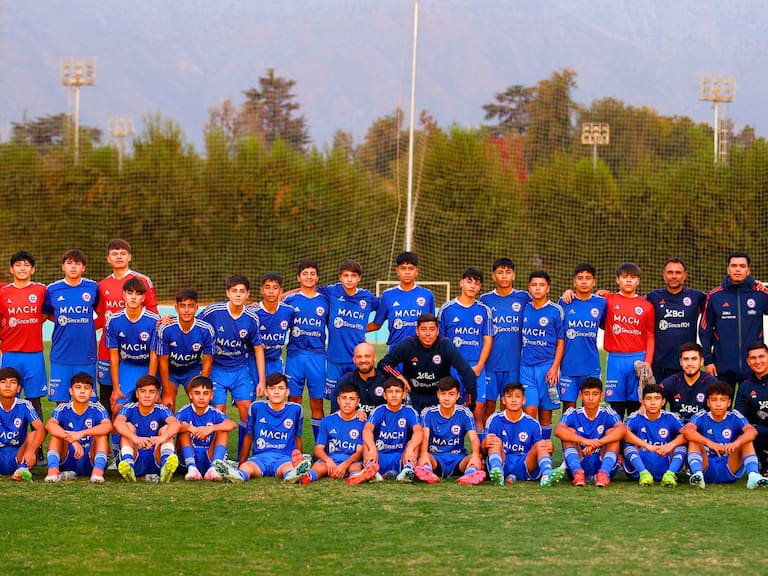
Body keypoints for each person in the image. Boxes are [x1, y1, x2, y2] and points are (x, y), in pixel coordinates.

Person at [200, 275, 266, 459]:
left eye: (242, 291)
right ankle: (217, 456)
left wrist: (261, 380)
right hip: (217, 370)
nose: (238, 295)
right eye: (234, 291)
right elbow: (194, 323)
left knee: (247, 409)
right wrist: (168, 320)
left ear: (247, 295)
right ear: (227, 293)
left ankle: (242, 458)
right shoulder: (213, 311)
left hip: (239, 370)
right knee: (219, 412)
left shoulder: (251, 318)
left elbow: (258, 349)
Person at [95, 239, 158, 430]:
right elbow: (99, 317)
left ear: (129, 256)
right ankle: (107, 447)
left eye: (123, 253)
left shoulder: (142, 281)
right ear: (108, 258)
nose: (119, 257)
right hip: (110, 348)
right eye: (114, 253)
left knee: (141, 396)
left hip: (138, 349)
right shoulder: (102, 285)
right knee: (110, 396)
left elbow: (153, 312)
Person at [213, 373, 310, 483]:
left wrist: (299, 460)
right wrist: (241, 463)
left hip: (284, 458)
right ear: (266, 391)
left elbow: (297, 437)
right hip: (260, 458)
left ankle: (292, 475)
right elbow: (249, 437)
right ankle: (238, 475)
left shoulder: (296, 409)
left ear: (287, 392)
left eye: (281, 388)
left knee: (287, 468)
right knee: (248, 467)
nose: (276, 392)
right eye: (272, 388)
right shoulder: (256, 407)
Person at [378, 313, 477, 413]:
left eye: (432, 329)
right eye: (423, 329)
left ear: (438, 331)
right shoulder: (409, 344)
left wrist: (470, 404)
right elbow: (383, 364)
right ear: (417, 331)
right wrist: (398, 376)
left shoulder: (445, 344)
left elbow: (467, 373)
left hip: (440, 396)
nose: (428, 334)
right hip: (413, 396)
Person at [699, 251, 768, 387]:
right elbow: (704, 331)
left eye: (742, 266)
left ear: (748, 270)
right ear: (728, 269)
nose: (737, 269)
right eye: (734, 265)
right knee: (720, 408)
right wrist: (708, 361)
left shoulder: (760, 294)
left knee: (754, 408)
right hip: (722, 367)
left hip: (754, 367)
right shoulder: (714, 296)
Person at [683, 380, 768, 489]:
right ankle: (697, 475)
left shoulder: (734, 416)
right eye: (714, 400)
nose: (718, 404)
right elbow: (687, 431)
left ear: (728, 403)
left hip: (729, 465)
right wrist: (710, 444)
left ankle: (753, 476)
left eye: (722, 400)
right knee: (694, 439)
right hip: (706, 467)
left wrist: (736, 443)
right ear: (708, 402)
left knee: (746, 439)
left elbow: (752, 431)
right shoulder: (701, 416)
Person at [437, 267, 493, 433]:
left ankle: (481, 457)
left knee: (478, 412)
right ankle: (451, 451)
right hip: (453, 369)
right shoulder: (447, 309)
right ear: (461, 282)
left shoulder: (484, 310)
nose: (472, 286)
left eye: (476, 283)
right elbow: (440, 342)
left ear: (480, 287)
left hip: (476, 368)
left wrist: (480, 366)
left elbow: (487, 340)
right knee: (450, 411)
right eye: (469, 281)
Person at [42, 249, 100, 403]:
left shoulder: (93, 287)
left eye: (77, 263)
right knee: (61, 401)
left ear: (83, 268)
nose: (73, 267)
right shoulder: (53, 289)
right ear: (63, 267)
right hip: (61, 354)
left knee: (87, 400)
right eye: (69, 263)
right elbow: (45, 314)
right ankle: (61, 427)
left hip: (86, 354)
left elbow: (98, 311)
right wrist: (63, 321)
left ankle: (87, 428)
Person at [318, 259, 379, 401]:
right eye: (346, 275)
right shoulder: (332, 291)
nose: (350, 279)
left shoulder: (367, 297)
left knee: (358, 398)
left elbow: (386, 309)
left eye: (353, 276)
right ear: (340, 277)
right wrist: (281, 297)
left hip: (357, 359)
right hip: (335, 357)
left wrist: (361, 330)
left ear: (359, 278)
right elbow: (307, 291)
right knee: (335, 399)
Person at [602, 262, 655, 419]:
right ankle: (615, 443)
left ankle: (632, 444)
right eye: (624, 277)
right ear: (617, 280)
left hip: (637, 359)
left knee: (636, 406)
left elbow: (650, 336)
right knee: (615, 407)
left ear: (638, 281)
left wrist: (648, 362)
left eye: (633, 277)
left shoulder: (647, 306)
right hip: (615, 360)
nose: (629, 281)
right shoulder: (607, 300)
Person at [480, 257, 530, 422]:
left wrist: (568, 293)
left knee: (509, 405)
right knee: (488, 405)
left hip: (514, 365)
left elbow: (543, 303)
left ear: (514, 275)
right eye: (500, 273)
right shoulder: (485, 300)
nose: (504, 276)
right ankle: (485, 443)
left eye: (508, 272)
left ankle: (505, 442)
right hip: (490, 364)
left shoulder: (524, 298)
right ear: (494, 276)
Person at [484, 382, 564, 487]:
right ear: (503, 400)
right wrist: (485, 443)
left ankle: (547, 474)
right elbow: (484, 448)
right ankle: (497, 472)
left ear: (523, 400)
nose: (513, 400)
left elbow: (540, 449)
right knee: (494, 441)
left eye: (517, 396)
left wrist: (550, 447)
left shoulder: (533, 423)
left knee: (542, 444)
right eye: (509, 396)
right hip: (503, 460)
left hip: (524, 462)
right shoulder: (494, 419)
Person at [0, 251, 47, 424]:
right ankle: (11, 443)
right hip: (10, 354)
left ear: (33, 270)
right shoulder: (3, 292)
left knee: (34, 401)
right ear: (11, 269)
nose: (22, 268)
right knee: (8, 399)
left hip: (34, 354)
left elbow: (48, 313)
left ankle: (38, 448)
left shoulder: (41, 290)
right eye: (18, 265)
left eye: (26, 265)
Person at [283, 259, 328, 441]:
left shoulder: (325, 300)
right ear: (298, 277)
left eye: (312, 273)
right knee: (293, 402)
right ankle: (292, 446)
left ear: (317, 277)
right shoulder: (290, 300)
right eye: (305, 273)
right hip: (294, 356)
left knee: (317, 402)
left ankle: (320, 447)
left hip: (317, 356)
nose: (309, 277)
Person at [414, 376, 485, 485]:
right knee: (424, 456)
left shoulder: (465, 413)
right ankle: (427, 472)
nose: (446, 398)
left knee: (473, 457)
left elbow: (474, 438)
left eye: (451, 394)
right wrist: (423, 453)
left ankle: (470, 474)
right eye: (443, 394)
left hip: (458, 459)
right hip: (435, 458)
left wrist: (475, 454)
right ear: (438, 394)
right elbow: (425, 437)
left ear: (457, 396)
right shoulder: (428, 412)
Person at [645, 258, 706, 383]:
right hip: (659, 365)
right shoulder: (653, 297)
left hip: (686, 365)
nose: (674, 276)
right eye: (670, 272)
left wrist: (752, 285)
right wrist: (611, 296)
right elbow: (631, 304)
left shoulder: (697, 297)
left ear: (685, 275)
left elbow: (720, 300)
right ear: (664, 275)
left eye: (678, 273)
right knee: (656, 401)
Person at [555, 377, 625, 487]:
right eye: (587, 394)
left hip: (602, 461)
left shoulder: (608, 412)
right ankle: (578, 472)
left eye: (595, 394)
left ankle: (603, 473)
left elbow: (622, 430)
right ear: (580, 396)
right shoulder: (572, 412)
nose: (591, 398)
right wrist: (585, 441)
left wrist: (598, 443)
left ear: (601, 396)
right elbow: (558, 430)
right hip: (580, 461)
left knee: (613, 432)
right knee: (569, 432)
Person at [44, 372, 112, 483]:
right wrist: (72, 440)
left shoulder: (97, 408)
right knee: (56, 435)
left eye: (87, 388)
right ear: (71, 391)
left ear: (92, 392)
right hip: (67, 455)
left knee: (101, 434)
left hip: (90, 458)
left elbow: (108, 426)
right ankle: (53, 471)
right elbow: (49, 425)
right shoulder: (62, 408)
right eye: (78, 387)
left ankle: (97, 472)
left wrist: (82, 433)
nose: (82, 391)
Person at [520, 270, 564, 440]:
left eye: (541, 285)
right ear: (529, 288)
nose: (537, 288)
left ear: (548, 288)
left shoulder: (555, 310)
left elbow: (561, 341)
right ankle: (531, 450)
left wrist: (555, 367)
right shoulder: (524, 309)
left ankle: (544, 452)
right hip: (526, 368)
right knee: (529, 410)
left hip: (547, 367)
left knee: (545, 414)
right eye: (534, 285)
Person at [299, 381, 371, 484]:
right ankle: (307, 476)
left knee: (356, 467)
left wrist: (345, 464)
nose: (347, 402)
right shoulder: (327, 421)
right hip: (331, 460)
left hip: (351, 461)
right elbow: (318, 449)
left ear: (357, 402)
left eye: (352, 399)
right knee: (319, 466)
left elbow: (359, 452)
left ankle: (355, 477)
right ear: (338, 400)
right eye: (344, 398)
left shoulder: (363, 423)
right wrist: (328, 460)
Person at [112, 375, 180, 483]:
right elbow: (118, 423)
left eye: (152, 392)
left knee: (167, 428)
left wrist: (162, 438)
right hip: (135, 453)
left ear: (157, 395)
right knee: (128, 426)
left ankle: (166, 465)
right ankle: (128, 465)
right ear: (137, 394)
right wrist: (135, 438)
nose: (147, 395)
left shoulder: (162, 409)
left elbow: (175, 423)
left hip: (155, 455)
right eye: (143, 391)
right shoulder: (128, 408)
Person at [156, 288, 215, 412]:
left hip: (192, 371)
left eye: (190, 306)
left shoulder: (206, 330)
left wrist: (203, 389)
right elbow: (163, 362)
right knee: (168, 405)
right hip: (171, 373)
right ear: (176, 308)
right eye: (182, 306)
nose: (187, 310)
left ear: (196, 308)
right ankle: (170, 431)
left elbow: (208, 361)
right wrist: (166, 392)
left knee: (200, 403)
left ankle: (196, 431)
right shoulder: (166, 329)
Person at [106, 278, 160, 410]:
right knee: (117, 408)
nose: (133, 297)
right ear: (124, 295)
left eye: (138, 294)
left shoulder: (153, 321)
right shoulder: (114, 321)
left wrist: (150, 384)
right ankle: (118, 431)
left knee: (155, 405)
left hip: (148, 366)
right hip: (128, 366)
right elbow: (113, 356)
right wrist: (115, 387)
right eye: (130, 293)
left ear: (143, 297)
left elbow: (154, 356)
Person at [558, 263, 605, 412]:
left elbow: (606, 325)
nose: (584, 282)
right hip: (568, 366)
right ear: (574, 282)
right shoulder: (564, 302)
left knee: (590, 409)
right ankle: (568, 436)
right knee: (569, 410)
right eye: (580, 278)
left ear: (594, 282)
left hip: (591, 366)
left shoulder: (601, 303)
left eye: (588, 278)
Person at [622, 383, 687, 487]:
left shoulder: (670, 417)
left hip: (664, 459)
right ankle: (643, 473)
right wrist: (647, 446)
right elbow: (622, 432)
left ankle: (670, 474)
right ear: (642, 402)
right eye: (648, 399)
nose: (652, 402)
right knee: (627, 443)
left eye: (657, 398)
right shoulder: (635, 417)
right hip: (642, 460)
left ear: (663, 402)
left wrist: (670, 445)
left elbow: (688, 434)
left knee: (682, 443)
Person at [368, 251, 435, 351]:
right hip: (395, 351)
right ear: (397, 271)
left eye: (411, 269)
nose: (407, 272)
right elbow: (377, 324)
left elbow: (432, 325)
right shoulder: (387, 295)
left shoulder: (427, 295)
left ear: (417, 271)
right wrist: (353, 329)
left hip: (421, 352)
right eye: (403, 268)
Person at [175, 375, 235, 481]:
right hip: (188, 457)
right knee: (183, 428)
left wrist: (211, 428)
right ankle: (192, 468)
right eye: (197, 393)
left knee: (222, 430)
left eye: (206, 393)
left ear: (211, 396)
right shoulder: (185, 411)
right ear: (190, 395)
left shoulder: (214, 412)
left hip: (208, 455)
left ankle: (213, 468)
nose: (201, 397)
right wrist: (190, 428)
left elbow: (231, 424)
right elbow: (173, 426)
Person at [362, 377, 423, 481]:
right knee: (366, 442)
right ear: (385, 395)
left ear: (404, 394)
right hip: (379, 455)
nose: (394, 395)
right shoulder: (379, 410)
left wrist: (410, 448)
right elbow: (367, 430)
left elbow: (418, 431)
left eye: (398, 391)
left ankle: (407, 470)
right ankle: (371, 469)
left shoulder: (409, 411)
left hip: (401, 456)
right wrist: (372, 448)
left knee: (413, 443)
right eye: (390, 392)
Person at [0, 367, 45, 481]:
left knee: (34, 434)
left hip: (18, 454)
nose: (8, 386)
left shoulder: (24, 405)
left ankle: (22, 469)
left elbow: (41, 429)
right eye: (3, 382)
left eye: (13, 382)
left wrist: (31, 450)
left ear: (19, 388)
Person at [658, 342, 717, 422]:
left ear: (702, 361)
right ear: (680, 362)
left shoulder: (712, 383)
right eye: (686, 359)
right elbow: (654, 405)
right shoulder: (671, 382)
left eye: (694, 359)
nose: (689, 363)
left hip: (702, 430)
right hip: (678, 429)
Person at [251, 273, 294, 376]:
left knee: (277, 391)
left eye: (275, 288)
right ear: (261, 290)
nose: (271, 291)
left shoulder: (288, 311)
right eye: (267, 287)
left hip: (275, 364)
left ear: (280, 291)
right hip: (253, 362)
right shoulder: (252, 312)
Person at [735, 341, 768, 474]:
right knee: (745, 431)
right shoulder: (745, 386)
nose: (757, 361)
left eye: (761, 357)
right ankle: (763, 463)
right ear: (748, 361)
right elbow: (739, 416)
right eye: (753, 358)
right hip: (761, 430)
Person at [331, 341, 386, 416]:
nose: (363, 360)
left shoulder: (385, 380)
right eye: (359, 357)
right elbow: (335, 411)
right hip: (353, 426)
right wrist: (353, 414)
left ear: (375, 358)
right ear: (354, 360)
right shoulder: (345, 381)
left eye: (367, 356)